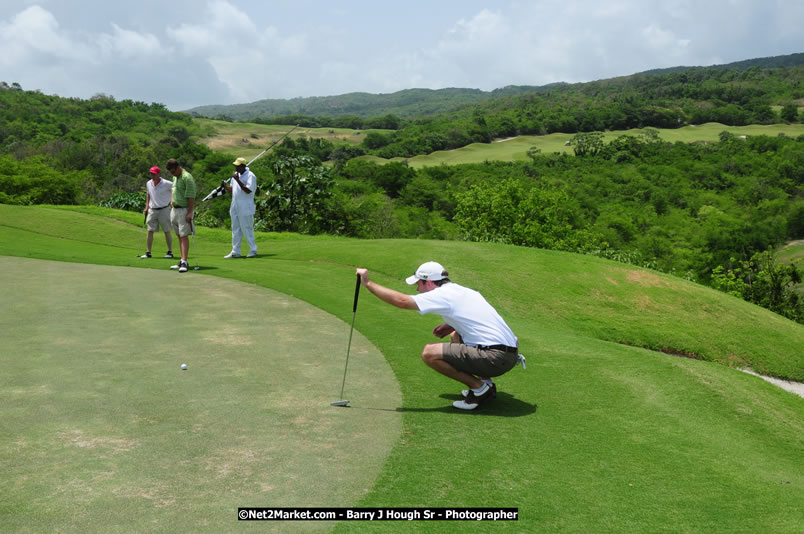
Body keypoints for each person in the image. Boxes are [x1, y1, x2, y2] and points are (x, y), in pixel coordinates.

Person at [356, 261, 520, 410]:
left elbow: (402, 301)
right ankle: (486, 383)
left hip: (495, 358)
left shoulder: (442, 295)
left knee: (429, 353)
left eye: (418, 283)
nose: (417, 288)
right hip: (509, 355)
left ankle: (479, 388)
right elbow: (477, 315)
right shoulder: (463, 291)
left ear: (427, 282)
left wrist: (368, 283)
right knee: (455, 335)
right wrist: (451, 325)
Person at [224, 157, 258, 258]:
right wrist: (225, 187)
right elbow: (233, 189)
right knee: (235, 228)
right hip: (235, 204)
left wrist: (237, 180)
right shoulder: (236, 175)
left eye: (238, 166)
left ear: (243, 166)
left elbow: (248, 190)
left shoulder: (251, 176)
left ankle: (253, 250)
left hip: (245, 205)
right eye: (235, 166)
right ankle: (235, 251)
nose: (236, 168)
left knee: (247, 228)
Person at [166, 158, 196, 273]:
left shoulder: (187, 177)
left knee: (184, 236)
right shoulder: (175, 177)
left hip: (184, 210)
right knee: (179, 235)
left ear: (178, 167)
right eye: (170, 172)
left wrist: (189, 212)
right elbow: (173, 191)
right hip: (175, 210)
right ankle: (181, 260)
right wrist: (172, 201)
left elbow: (191, 197)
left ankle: (185, 262)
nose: (172, 174)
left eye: (173, 171)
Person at [139, 166, 174, 259]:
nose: (152, 175)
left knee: (167, 231)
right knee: (150, 230)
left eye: (154, 174)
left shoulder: (167, 183)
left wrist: (172, 200)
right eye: (151, 173)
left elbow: (174, 189)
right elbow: (148, 194)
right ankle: (148, 252)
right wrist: (146, 207)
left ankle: (170, 252)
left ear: (159, 174)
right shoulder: (148, 183)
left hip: (164, 209)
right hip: (152, 210)